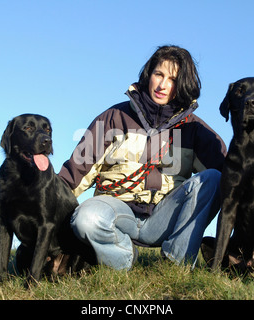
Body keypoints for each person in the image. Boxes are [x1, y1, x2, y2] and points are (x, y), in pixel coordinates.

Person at [59, 45, 227, 270]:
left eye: (173, 79)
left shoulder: (195, 129)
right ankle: (122, 259)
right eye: (159, 74)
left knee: (214, 179)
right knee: (86, 218)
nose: (163, 84)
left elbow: (233, 175)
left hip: (164, 217)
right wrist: (37, 207)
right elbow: (73, 174)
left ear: (184, 84)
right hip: (117, 212)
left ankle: (178, 263)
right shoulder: (113, 118)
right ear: (149, 74)